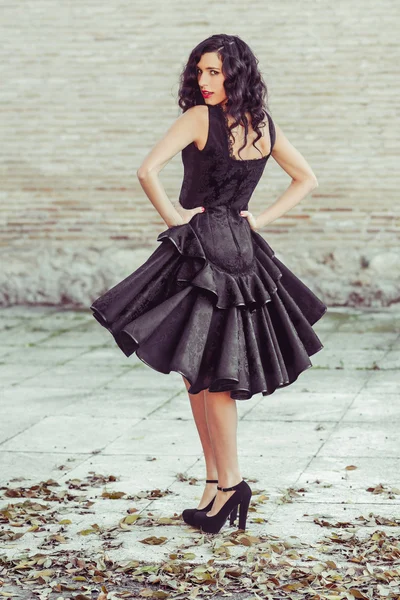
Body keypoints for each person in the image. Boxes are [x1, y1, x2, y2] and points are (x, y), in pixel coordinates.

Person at [89, 33, 327, 535]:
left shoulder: (199, 119)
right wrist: (258, 220)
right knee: (199, 370)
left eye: (215, 72)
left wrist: (176, 217)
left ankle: (233, 481)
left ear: (237, 73)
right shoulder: (262, 125)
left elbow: (145, 170)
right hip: (240, 249)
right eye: (200, 71)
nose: (204, 81)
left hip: (203, 249)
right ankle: (215, 482)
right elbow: (306, 179)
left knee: (214, 372)